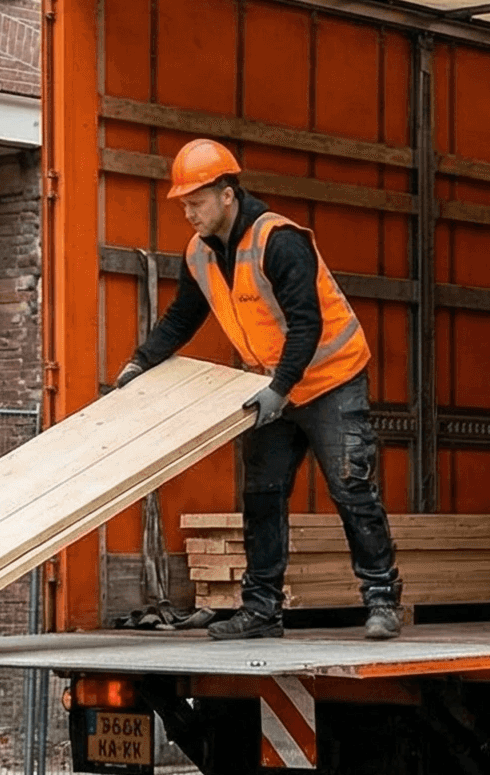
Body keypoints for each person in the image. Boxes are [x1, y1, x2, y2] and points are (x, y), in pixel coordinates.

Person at [116, 138, 402, 641]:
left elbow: (306, 323)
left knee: (351, 489)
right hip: (272, 388)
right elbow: (184, 315)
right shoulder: (200, 254)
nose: (188, 212)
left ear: (227, 194)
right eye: (183, 203)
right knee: (261, 496)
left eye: (196, 201)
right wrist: (142, 362)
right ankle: (262, 611)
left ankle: (382, 601)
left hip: (330, 380)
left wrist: (281, 387)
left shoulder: (280, 240)